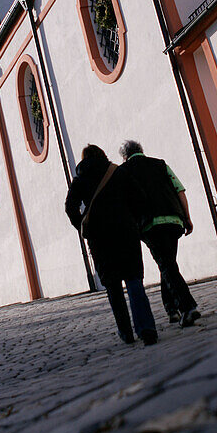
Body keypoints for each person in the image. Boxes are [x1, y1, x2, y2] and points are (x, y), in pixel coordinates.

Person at [65, 144, 158, 346]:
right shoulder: (118, 172)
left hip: (99, 239)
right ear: (103, 155)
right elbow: (140, 198)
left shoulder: (80, 179)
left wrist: (82, 226)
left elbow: (69, 207)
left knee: (113, 287)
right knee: (134, 280)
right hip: (126, 232)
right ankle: (146, 328)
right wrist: (131, 218)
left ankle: (126, 332)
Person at [119, 140, 200, 328]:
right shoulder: (161, 164)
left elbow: (124, 204)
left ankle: (188, 308)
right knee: (169, 263)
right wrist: (187, 217)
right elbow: (180, 191)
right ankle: (171, 308)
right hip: (174, 220)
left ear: (125, 157)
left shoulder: (123, 171)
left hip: (150, 224)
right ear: (142, 151)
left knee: (166, 265)